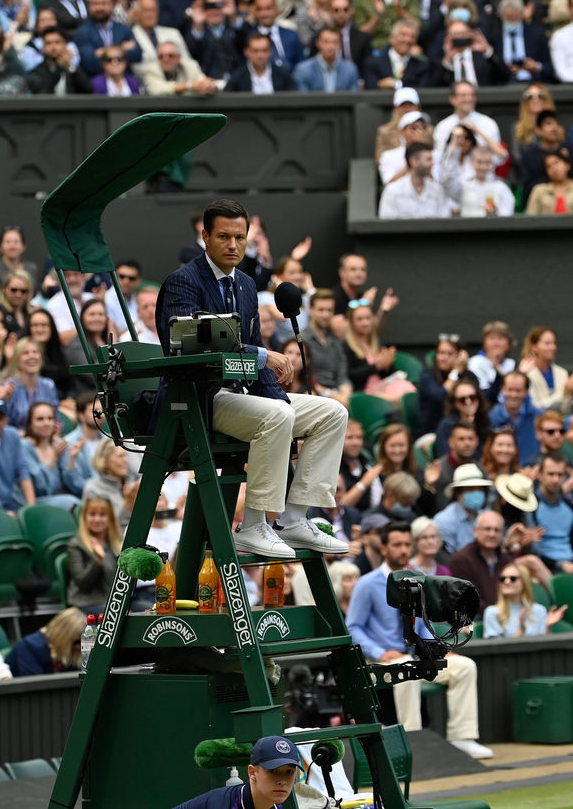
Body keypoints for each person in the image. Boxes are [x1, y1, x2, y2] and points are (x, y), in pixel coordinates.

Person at [157, 200, 351, 556]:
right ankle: (253, 526)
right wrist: (262, 357)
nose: (233, 245)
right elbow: (190, 347)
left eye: (240, 237)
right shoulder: (181, 283)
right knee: (277, 415)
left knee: (331, 412)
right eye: (224, 237)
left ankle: (294, 519)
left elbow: (256, 358)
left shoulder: (246, 284)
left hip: (243, 396)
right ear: (205, 237)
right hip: (198, 398)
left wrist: (276, 393)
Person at [345, 521, 492, 759]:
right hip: (382, 661)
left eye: (407, 544)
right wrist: (380, 652)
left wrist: (439, 652)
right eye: (397, 545)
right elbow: (353, 628)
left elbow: (423, 625)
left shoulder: (419, 581)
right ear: (383, 548)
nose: (403, 550)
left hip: (415, 657)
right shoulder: (367, 584)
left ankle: (462, 738)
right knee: (407, 671)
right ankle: (412, 742)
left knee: (465, 667)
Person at [173, 735, 305, 809]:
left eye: (289, 772)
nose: (282, 781)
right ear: (252, 772)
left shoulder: (274, 806)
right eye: (273, 771)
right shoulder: (222, 804)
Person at [482, 562, 563, 638]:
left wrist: (547, 627)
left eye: (512, 578)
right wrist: (521, 632)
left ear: (524, 582)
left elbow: (542, 647)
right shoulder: (492, 612)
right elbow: (495, 650)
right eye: (502, 579)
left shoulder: (539, 610)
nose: (506, 582)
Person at [4, 606, 82, 676]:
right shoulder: (28, 648)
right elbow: (35, 688)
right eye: (77, 642)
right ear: (62, 636)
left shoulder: (67, 652)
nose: (79, 647)